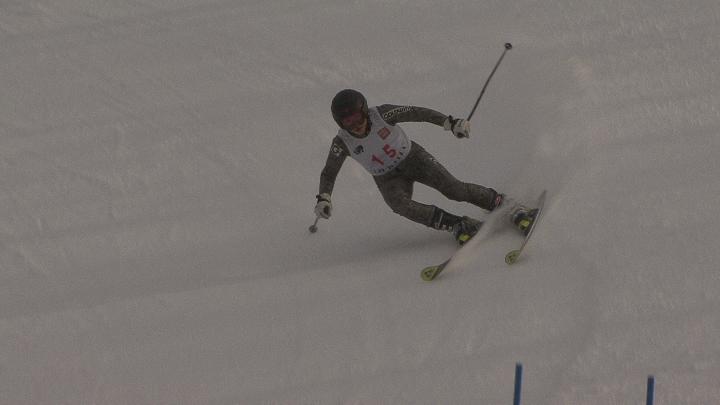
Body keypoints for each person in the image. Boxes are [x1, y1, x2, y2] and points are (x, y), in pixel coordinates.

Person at [315, 89, 533, 244]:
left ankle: (502, 203)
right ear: (340, 123)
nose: (355, 125)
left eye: (356, 117)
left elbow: (417, 112)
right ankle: (457, 224)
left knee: (454, 190)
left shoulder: (382, 114)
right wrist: (324, 197)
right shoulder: (342, 142)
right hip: (387, 178)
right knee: (399, 205)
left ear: (364, 110)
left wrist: (449, 123)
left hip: (414, 159)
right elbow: (329, 172)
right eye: (348, 122)